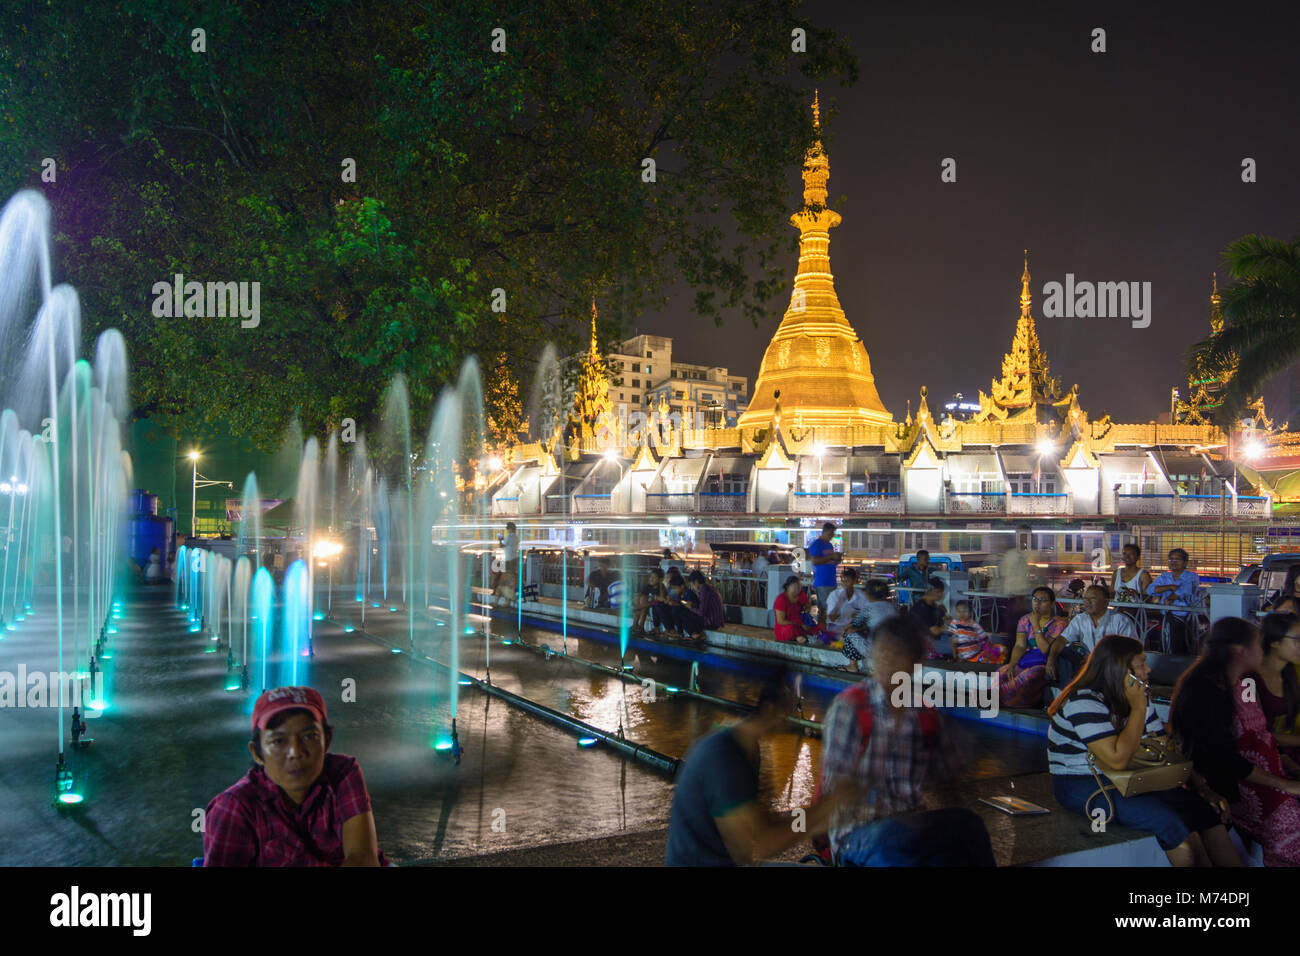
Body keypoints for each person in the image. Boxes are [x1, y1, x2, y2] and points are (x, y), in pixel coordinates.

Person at [819, 615, 995, 866]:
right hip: (858, 834)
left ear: (915, 663)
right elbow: (833, 786)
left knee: (968, 826)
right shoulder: (851, 707)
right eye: (881, 653)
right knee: (895, 849)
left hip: (907, 827)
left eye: (896, 655)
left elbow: (948, 779)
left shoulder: (924, 713)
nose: (886, 662)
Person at [1048, 636, 1237, 866]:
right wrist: (1138, 707)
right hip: (1080, 781)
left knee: (1204, 812)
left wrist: (1201, 787)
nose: (1147, 669)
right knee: (1166, 820)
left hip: (1128, 775)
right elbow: (1116, 759)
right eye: (1141, 663)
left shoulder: (1137, 697)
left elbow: (1163, 746)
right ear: (1121, 669)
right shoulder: (1083, 701)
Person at [666, 667, 852, 865]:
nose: (792, 719)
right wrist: (827, 807)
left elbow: (765, 823)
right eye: (788, 710)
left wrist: (815, 820)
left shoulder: (744, 746)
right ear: (771, 710)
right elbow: (762, 845)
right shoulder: (724, 757)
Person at [204, 686, 386, 866]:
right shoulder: (235, 808)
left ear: (327, 741)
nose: (295, 752)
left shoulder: (342, 774)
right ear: (257, 753)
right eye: (278, 741)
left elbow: (364, 858)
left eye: (309, 736)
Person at [1170, 617, 1300, 863]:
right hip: (1229, 785)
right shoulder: (1203, 690)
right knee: (1290, 822)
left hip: (1260, 775)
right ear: (1240, 650)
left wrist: (1290, 770)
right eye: (1259, 644)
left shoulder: (1241, 683)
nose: (1263, 650)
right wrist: (1284, 785)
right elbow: (1222, 758)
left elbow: (1261, 734)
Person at [999, 586, 1068, 709]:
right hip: (1026, 660)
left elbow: (1044, 649)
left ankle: (997, 696)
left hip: (1045, 664)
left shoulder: (1059, 624)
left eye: (1043, 600)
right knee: (1002, 672)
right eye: (1035, 599)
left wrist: (1036, 625)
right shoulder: (1025, 620)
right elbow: (1020, 645)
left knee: (1029, 675)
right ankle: (999, 697)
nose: (1037, 603)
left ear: (1052, 604)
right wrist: (1012, 664)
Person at [1251, 612, 1300, 771]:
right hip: (1260, 759)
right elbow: (1253, 734)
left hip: (1287, 753)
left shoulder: (1291, 673)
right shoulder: (1249, 679)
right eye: (1297, 639)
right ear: (1275, 642)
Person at [1148, 548, 1203, 654]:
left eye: (1177, 559)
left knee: (1186, 650)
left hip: (1188, 619)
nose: (1173, 562)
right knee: (1168, 648)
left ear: (1185, 563)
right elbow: (1150, 590)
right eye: (1171, 559)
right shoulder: (1165, 577)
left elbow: (1184, 591)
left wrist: (1169, 597)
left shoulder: (1192, 576)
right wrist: (1170, 586)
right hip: (1169, 619)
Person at [1060, 584, 1138, 654]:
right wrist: (1051, 659)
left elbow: (1132, 649)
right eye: (1085, 598)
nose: (1087, 602)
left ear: (1106, 602)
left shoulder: (1121, 621)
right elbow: (1063, 640)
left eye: (1093, 598)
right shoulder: (1080, 619)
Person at [841, 578, 894, 674]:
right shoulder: (891, 606)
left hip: (877, 650)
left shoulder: (869, 608)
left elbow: (854, 625)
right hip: (893, 648)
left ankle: (853, 666)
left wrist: (845, 629)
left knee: (849, 633)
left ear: (868, 594)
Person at [807, 522, 842, 629]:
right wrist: (832, 556)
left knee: (831, 608)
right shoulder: (816, 544)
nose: (832, 536)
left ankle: (826, 629)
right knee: (823, 609)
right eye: (831, 533)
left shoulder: (829, 545)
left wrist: (837, 559)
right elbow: (815, 561)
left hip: (831, 581)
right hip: (822, 582)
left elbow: (830, 561)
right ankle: (821, 631)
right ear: (825, 532)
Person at [676, 570, 725, 642]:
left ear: (696, 582)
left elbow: (702, 612)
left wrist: (690, 607)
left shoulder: (704, 590)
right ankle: (696, 633)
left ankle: (695, 634)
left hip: (712, 622)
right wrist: (692, 605)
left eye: (692, 584)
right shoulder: (709, 588)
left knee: (684, 614)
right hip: (716, 620)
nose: (692, 587)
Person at [773, 575, 822, 645]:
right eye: (795, 586)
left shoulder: (801, 595)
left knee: (817, 627)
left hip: (801, 623)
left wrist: (806, 609)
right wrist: (800, 625)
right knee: (790, 630)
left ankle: (805, 637)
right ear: (787, 587)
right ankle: (799, 637)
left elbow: (808, 605)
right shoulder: (781, 599)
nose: (797, 588)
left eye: (799, 586)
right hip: (787, 626)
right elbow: (781, 621)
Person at [908, 576, 951, 657]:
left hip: (933, 639)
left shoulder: (932, 604)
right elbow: (935, 631)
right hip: (923, 644)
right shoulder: (922, 608)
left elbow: (946, 619)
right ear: (929, 591)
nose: (941, 595)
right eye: (938, 592)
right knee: (962, 647)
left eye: (942, 592)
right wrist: (949, 627)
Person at [825, 567, 867, 642]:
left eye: (847, 581)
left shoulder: (862, 596)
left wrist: (857, 617)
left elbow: (866, 616)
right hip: (836, 627)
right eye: (843, 581)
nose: (844, 584)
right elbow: (831, 618)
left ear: (854, 581)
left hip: (853, 628)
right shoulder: (834, 595)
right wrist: (840, 602)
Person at [634, 567, 666, 636]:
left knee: (642, 606)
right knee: (642, 600)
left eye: (654, 577)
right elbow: (641, 595)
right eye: (650, 577)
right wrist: (637, 603)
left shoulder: (661, 587)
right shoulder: (648, 586)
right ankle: (638, 626)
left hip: (656, 607)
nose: (651, 579)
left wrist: (638, 606)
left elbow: (661, 599)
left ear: (660, 579)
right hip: (647, 606)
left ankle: (638, 626)